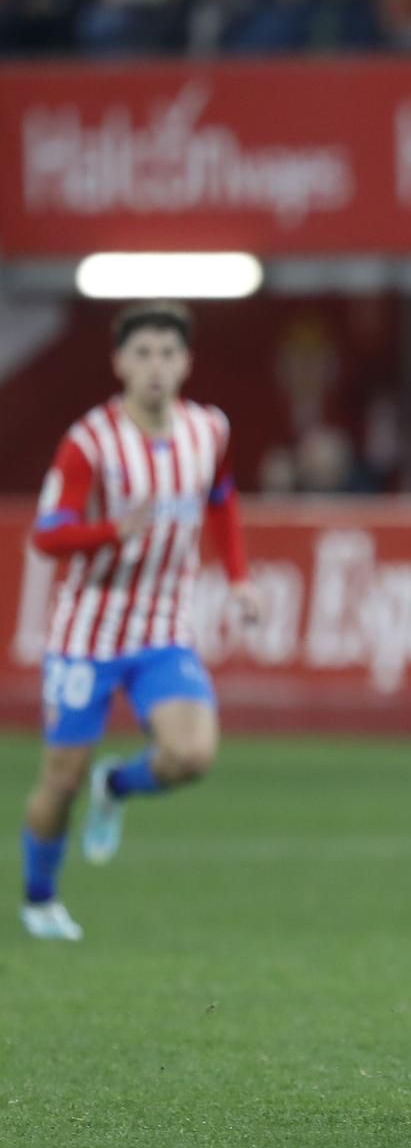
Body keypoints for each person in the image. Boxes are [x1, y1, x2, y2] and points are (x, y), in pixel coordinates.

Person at [20, 303, 257, 941]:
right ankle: (39, 900)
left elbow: (222, 499)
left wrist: (238, 579)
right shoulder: (90, 442)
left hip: (162, 630)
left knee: (193, 755)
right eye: (143, 353)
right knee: (58, 781)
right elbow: (47, 537)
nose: (156, 366)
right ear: (120, 362)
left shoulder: (208, 430)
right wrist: (110, 531)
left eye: (168, 353)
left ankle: (117, 784)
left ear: (187, 363)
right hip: (86, 634)